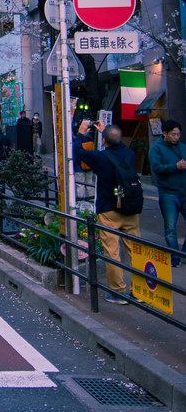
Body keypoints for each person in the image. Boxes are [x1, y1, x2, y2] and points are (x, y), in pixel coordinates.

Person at [73, 119, 140, 303]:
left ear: (104, 141)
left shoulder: (99, 158)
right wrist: (106, 132)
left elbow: (77, 151)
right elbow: (117, 146)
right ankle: (140, 291)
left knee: (112, 252)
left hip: (108, 209)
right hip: (131, 208)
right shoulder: (130, 154)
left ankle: (118, 292)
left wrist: (80, 132)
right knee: (136, 249)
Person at [149, 118, 186, 267]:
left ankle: (182, 252)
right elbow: (156, 168)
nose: (176, 137)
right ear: (165, 133)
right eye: (173, 134)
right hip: (168, 193)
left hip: (184, 191)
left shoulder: (183, 147)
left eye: (178, 134)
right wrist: (175, 166)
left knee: (171, 227)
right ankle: (175, 258)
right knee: (170, 228)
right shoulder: (156, 148)